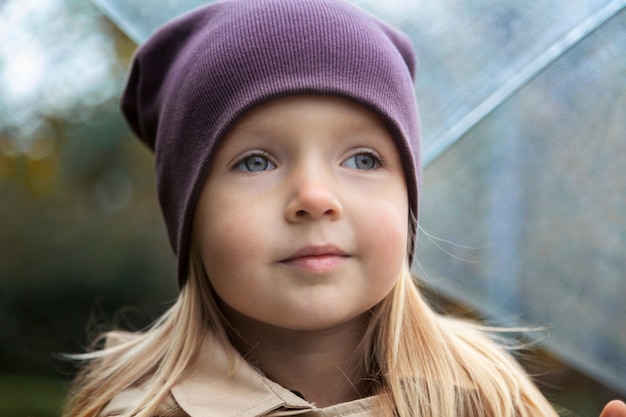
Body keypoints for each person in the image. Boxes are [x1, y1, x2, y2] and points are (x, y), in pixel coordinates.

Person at [62, 0, 626, 416]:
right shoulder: (139, 410)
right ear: (188, 216)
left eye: (361, 159)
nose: (314, 197)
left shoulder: (487, 399)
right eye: (256, 161)